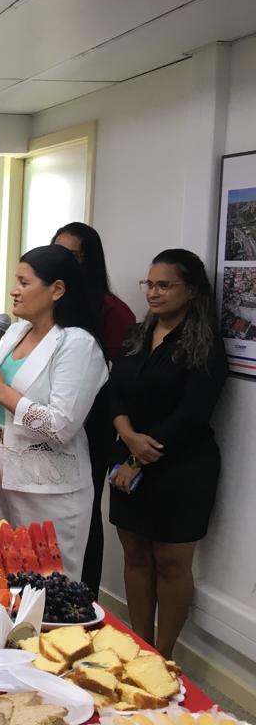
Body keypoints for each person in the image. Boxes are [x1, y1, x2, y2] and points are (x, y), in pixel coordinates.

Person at [108, 249, 227, 657]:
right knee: (135, 556)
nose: (153, 293)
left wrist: (137, 458)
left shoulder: (206, 346)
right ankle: (141, 647)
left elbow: (191, 415)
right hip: (128, 457)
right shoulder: (134, 336)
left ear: (190, 290)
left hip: (181, 468)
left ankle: (163, 656)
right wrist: (127, 437)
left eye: (165, 285)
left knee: (172, 564)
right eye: (150, 284)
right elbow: (114, 393)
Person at [0, 245, 107, 581]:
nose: (14, 290)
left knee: (47, 589)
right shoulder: (15, 332)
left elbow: (60, 426)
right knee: (1, 581)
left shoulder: (77, 344)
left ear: (57, 290)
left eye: (24, 282)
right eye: (15, 280)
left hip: (47, 493)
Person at [52, 222, 136, 597]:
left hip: (92, 425)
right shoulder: (52, 302)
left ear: (90, 260)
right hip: (44, 424)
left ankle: (83, 598)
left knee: (84, 514)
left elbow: (122, 382)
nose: (62, 261)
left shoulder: (113, 312)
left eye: (71, 255)